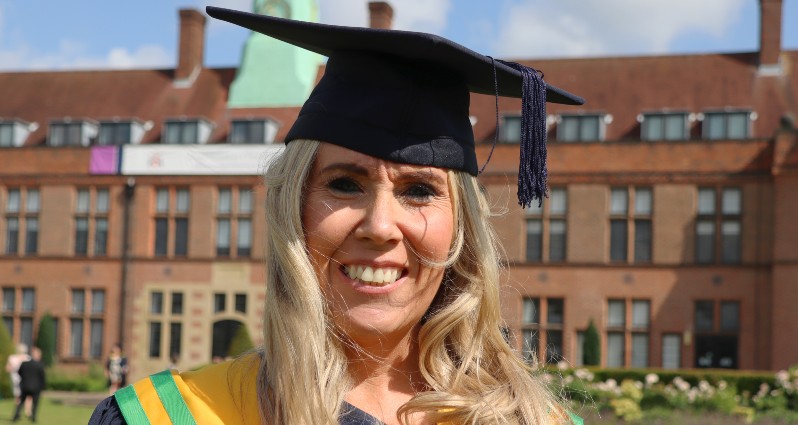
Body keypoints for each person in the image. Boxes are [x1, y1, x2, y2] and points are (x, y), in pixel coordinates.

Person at [90, 5, 584, 425]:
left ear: (462, 228)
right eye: (345, 184)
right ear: (294, 207)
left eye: (418, 190)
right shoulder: (173, 415)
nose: (380, 226)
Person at [13, 347, 46, 422]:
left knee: (21, 402)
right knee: (35, 403)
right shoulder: (40, 365)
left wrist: (24, 379)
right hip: (36, 387)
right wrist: (42, 386)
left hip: (25, 385)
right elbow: (43, 377)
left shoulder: (24, 364)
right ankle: (33, 417)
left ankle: (16, 415)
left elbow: (19, 372)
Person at [7, 343, 32, 417]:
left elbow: (8, 368)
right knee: (27, 396)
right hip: (23, 378)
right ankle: (27, 411)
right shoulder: (28, 358)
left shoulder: (13, 358)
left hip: (16, 378)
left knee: (18, 396)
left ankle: (19, 411)